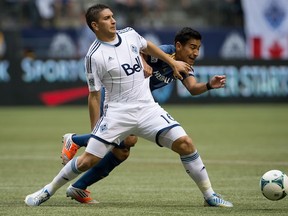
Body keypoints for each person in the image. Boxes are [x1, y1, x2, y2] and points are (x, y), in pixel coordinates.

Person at [25, 4, 233, 208]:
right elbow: (94, 96)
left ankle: (209, 196)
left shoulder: (130, 34)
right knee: (88, 160)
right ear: (95, 26)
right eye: (107, 18)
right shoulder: (93, 56)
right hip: (117, 111)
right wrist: (95, 131)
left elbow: (147, 45)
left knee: (184, 144)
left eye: (113, 16)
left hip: (147, 108)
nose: (113, 20)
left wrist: (173, 64)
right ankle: (47, 190)